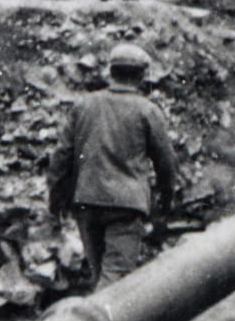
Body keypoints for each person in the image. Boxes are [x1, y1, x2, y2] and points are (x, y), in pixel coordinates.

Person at [47, 42, 178, 289]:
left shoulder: (83, 105)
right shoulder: (147, 111)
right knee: (114, 283)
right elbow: (167, 164)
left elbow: (61, 157)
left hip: (86, 202)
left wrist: (56, 199)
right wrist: (165, 205)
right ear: (142, 75)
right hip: (125, 207)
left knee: (101, 276)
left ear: (111, 71)